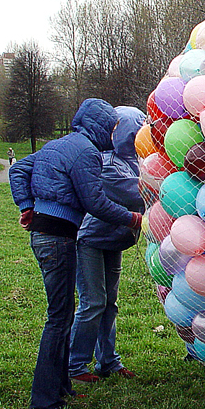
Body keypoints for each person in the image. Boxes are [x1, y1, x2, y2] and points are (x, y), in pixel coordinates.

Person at [9, 99, 143, 409]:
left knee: (65, 314)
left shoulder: (61, 144)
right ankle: (44, 400)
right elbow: (94, 202)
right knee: (58, 318)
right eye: (111, 127)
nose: (114, 133)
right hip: (56, 237)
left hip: (50, 234)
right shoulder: (86, 153)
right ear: (99, 126)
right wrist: (133, 219)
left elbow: (20, 170)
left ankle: (61, 388)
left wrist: (26, 205)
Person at [68, 106, 146, 383]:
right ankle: (75, 367)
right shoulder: (105, 163)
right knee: (93, 303)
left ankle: (108, 362)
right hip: (90, 239)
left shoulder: (134, 160)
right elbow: (139, 192)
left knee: (109, 304)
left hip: (114, 241)